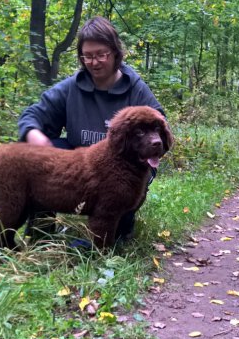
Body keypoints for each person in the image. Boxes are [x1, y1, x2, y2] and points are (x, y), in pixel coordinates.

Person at [18, 16, 165, 243]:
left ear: (116, 52)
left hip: (121, 173)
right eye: (87, 56)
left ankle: (113, 234)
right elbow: (34, 115)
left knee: (116, 224)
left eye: (101, 54)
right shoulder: (71, 87)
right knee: (43, 159)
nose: (94, 62)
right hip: (80, 170)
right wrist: (33, 133)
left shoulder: (135, 89)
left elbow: (159, 124)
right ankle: (42, 232)